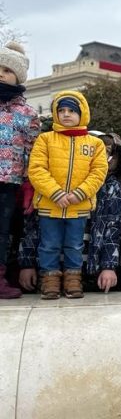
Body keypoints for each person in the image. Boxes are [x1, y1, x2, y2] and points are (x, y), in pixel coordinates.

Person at [28, 91, 108, 299]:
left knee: (75, 245)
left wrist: (80, 193)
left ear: (82, 113)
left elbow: (98, 172)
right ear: (55, 113)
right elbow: (36, 169)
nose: (66, 114)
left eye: (71, 110)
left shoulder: (95, 143)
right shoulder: (45, 140)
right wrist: (55, 193)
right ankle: (50, 280)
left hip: (78, 206)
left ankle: (73, 280)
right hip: (49, 205)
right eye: (61, 110)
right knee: (49, 245)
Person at [0, 42, 40, 299]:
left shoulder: (27, 113)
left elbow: (33, 152)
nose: (1, 73)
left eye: (7, 69)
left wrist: (29, 184)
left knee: (2, 231)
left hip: (9, 183)